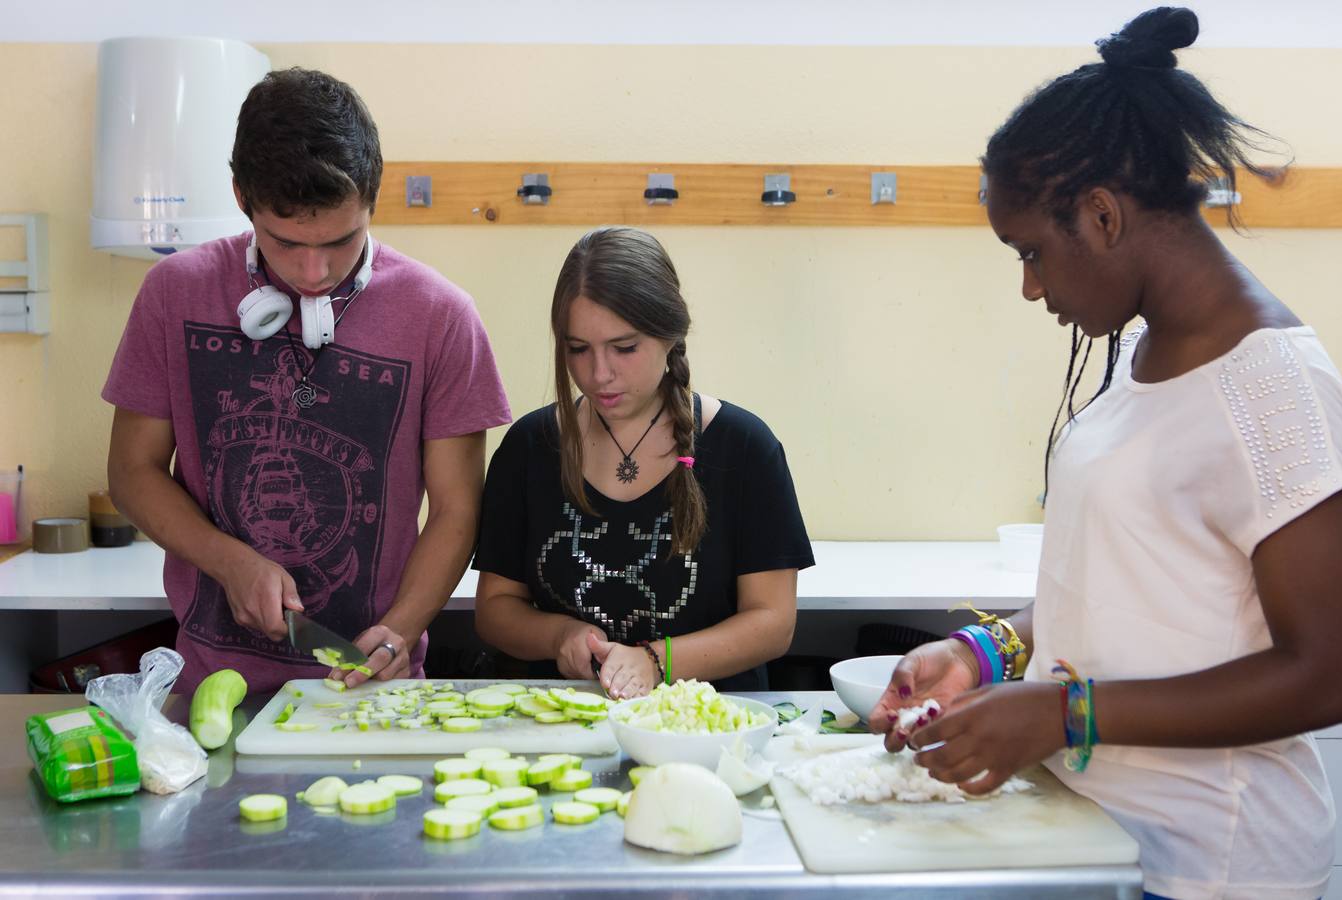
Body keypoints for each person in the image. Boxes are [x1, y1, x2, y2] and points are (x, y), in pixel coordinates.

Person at [869, 9, 1342, 900]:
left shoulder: (1274, 389)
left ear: (1101, 215)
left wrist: (1064, 714)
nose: (1030, 286)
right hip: (1108, 841)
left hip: (1220, 867)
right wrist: (987, 654)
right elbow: (1126, 592)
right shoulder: (1145, 355)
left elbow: (1329, 675)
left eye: (1031, 252)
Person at [103, 68, 511, 694]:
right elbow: (132, 471)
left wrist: (400, 631)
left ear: (375, 198)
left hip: (374, 691)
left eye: (342, 240)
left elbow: (457, 510)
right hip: (211, 682)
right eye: (286, 242)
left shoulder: (441, 318)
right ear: (242, 197)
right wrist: (227, 561)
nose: (314, 272)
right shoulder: (172, 293)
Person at [472, 226, 812, 697]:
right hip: (565, 720)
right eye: (577, 350)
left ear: (671, 335)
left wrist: (656, 661)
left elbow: (773, 623)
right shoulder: (529, 447)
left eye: (624, 348)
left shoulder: (745, 448)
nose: (599, 373)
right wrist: (558, 636)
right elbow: (495, 608)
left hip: (707, 726)